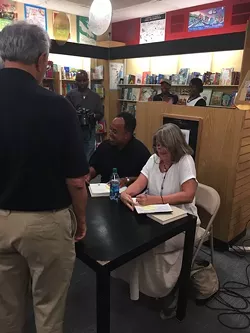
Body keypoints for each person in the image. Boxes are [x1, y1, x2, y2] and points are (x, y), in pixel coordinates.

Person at [0, 21, 89, 333]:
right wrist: (81, 219)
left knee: (6, 307)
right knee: (48, 306)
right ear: (40, 60)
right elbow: (77, 180)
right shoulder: (58, 106)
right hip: (45, 223)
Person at [119, 123, 201, 316]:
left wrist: (155, 200)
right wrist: (126, 194)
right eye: (157, 146)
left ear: (175, 146)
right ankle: (145, 287)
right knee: (136, 238)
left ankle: (169, 289)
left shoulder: (185, 160)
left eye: (164, 147)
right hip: (156, 214)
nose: (159, 151)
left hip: (183, 218)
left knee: (151, 244)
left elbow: (188, 194)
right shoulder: (154, 159)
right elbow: (140, 182)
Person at [86, 112, 151, 187]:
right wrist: (89, 175)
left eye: (114, 132)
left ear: (127, 135)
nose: (110, 134)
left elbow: (149, 178)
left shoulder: (141, 152)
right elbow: (95, 167)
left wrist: (127, 180)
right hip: (104, 191)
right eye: (110, 130)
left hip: (130, 194)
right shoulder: (104, 146)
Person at [66, 70, 103, 161]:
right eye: (79, 81)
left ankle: (87, 172)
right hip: (75, 130)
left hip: (90, 130)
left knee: (89, 153)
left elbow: (100, 114)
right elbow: (65, 112)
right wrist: (76, 114)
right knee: (76, 153)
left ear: (88, 80)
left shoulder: (95, 97)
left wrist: (93, 115)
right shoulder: (70, 95)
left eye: (84, 80)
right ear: (75, 81)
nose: (82, 83)